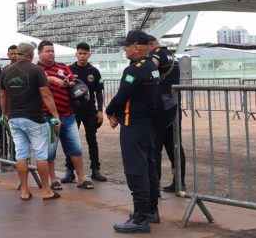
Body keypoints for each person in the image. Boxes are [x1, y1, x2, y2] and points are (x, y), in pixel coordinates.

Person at [106, 30, 162, 233]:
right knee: (149, 167)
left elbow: (122, 96)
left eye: (127, 46)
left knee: (136, 170)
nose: (124, 49)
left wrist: (109, 111)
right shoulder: (151, 67)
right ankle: (150, 210)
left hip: (133, 126)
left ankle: (139, 218)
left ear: (137, 48)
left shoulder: (134, 70)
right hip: (148, 125)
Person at [0, 42, 61, 200]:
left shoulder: (6, 71)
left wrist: (5, 113)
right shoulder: (36, 70)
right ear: (31, 55)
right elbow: (46, 95)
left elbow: (3, 95)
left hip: (14, 118)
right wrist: (55, 115)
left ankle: (25, 191)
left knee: (21, 154)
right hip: (34, 117)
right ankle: (46, 191)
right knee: (41, 155)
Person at [36, 40, 92, 190]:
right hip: (49, 118)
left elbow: (73, 81)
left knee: (75, 148)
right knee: (50, 150)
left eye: (52, 51)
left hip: (68, 115)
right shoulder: (36, 69)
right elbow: (34, 80)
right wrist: (52, 79)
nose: (51, 53)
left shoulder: (62, 67)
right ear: (40, 53)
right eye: (47, 51)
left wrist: (69, 83)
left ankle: (81, 178)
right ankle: (53, 179)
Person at [63, 42, 106, 183]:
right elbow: (64, 91)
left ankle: (95, 169)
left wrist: (100, 110)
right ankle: (70, 171)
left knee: (91, 140)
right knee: (70, 141)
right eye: (80, 53)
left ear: (89, 55)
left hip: (89, 111)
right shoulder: (69, 70)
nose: (82, 56)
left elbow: (99, 92)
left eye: (85, 54)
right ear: (76, 54)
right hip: (72, 111)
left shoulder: (94, 71)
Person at [149, 36, 186, 193]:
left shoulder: (156, 55)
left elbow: (151, 71)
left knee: (155, 147)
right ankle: (179, 182)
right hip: (173, 106)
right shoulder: (171, 54)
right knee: (175, 146)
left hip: (160, 107)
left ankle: (154, 185)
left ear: (150, 45)